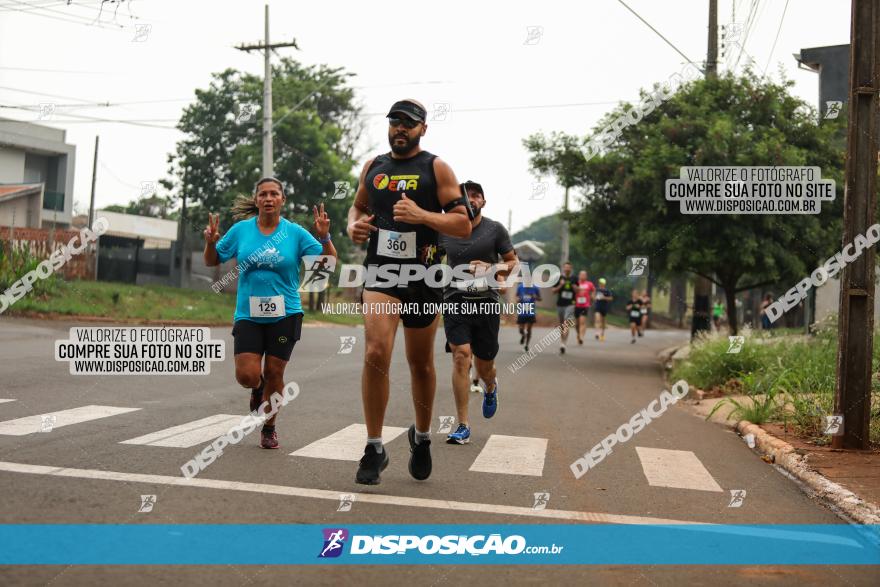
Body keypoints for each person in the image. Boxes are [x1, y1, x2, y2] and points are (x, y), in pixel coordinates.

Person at [346, 99, 471, 485]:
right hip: (381, 272)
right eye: (395, 122)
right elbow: (356, 208)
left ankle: (420, 436)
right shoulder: (373, 167)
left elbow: (463, 224)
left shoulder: (436, 168)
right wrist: (354, 227)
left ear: (422, 129)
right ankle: (374, 446)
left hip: (425, 274)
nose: (400, 128)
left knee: (420, 363)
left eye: (409, 123)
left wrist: (423, 217)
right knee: (375, 351)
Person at [203, 178, 337, 449]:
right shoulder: (241, 230)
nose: (268, 198)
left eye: (274, 193)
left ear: (282, 200)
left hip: (285, 313)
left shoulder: (295, 233)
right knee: (247, 375)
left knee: (276, 372)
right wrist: (210, 242)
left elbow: (328, 263)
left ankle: (269, 426)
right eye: (262, 193)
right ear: (256, 200)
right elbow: (212, 260)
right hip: (248, 314)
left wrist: (324, 237)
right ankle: (257, 387)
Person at [441, 180, 517, 444]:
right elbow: (428, 256)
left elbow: (513, 264)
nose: (470, 199)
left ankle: (491, 387)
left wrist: (490, 268)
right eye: (465, 196)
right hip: (454, 301)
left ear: (483, 202)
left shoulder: (495, 230)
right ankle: (462, 425)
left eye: (476, 196)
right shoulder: (446, 229)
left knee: (485, 367)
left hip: (486, 303)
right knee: (461, 357)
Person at [551, 261, 577, 354]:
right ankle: (562, 342)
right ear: (563, 268)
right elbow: (553, 291)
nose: (567, 269)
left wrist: (574, 287)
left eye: (569, 267)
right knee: (561, 324)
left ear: (571, 269)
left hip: (570, 304)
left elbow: (578, 291)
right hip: (560, 304)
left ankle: (563, 344)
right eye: (565, 267)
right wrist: (560, 285)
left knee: (566, 323)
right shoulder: (558, 278)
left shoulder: (574, 278)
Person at [516, 275, 541, 352]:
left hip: (531, 311)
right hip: (522, 310)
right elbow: (516, 296)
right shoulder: (520, 287)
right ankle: (523, 335)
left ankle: (526, 345)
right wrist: (518, 299)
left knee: (529, 329)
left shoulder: (535, 288)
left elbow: (540, 298)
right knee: (521, 329)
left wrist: (535, 297)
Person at [574, 270, 596, 344]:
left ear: (586, 276)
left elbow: (593, 290)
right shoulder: (576, 283)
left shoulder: (589, 284)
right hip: (577, 305)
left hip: (585, 305)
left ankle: (581, 337)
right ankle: (578, 334)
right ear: (579, 275)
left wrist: (592, 296)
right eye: (581, 275)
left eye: (584, 275)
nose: (583, 276)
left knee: (582, 322)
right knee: (577, 324)